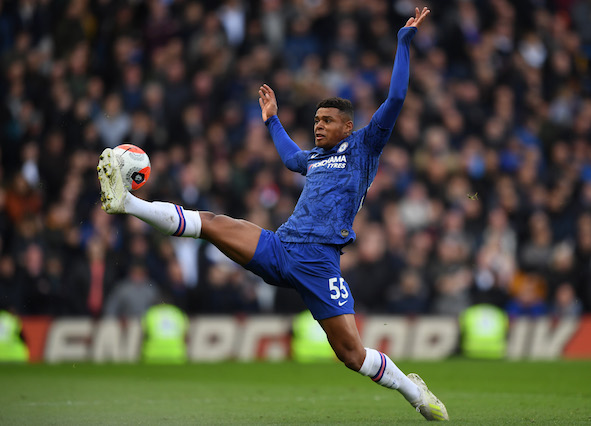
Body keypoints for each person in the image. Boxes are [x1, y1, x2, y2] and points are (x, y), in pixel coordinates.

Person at [98, 7, 448, 421]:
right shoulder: (314, 158)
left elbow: (397, 98)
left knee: (352, 355)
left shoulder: (365, 145)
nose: (318, 126)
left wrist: (403, 43)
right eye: (316, 120)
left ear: (348, 126)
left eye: (327, 121)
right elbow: (288, 158)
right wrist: (272, 121)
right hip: (281, 247)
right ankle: (127, 203)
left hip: (319, 262)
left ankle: (412, 390)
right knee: (213, 224)